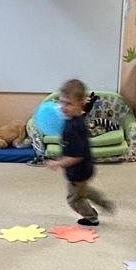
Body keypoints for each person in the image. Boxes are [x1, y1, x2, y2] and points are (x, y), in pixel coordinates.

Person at [46, 78, 114, 227]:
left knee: (74, 199)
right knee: (83, 190)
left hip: (78, 171)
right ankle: (102, 201)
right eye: (62, 102)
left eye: (69, 104)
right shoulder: (76, 117)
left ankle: (91, 217)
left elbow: (76, 156)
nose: (63, 107)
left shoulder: (73, 127)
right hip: (85, 168)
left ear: (80, 104)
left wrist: (58, 163)